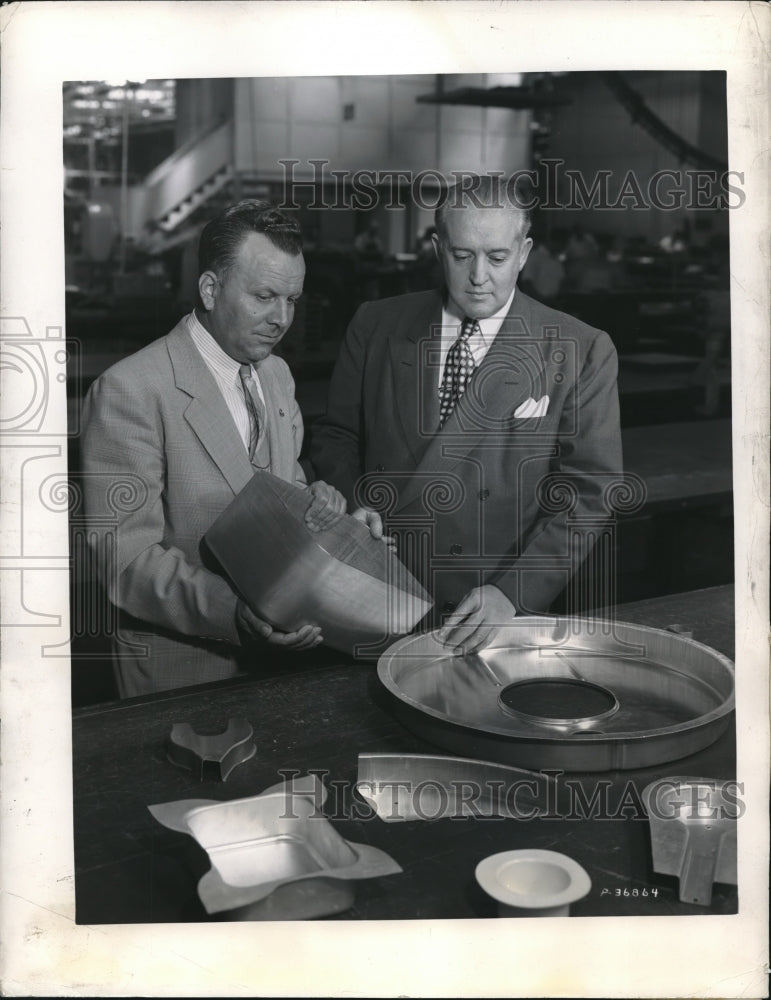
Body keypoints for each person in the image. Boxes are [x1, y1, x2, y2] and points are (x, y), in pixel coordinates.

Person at [81, 199, 382, 697]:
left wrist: (337, 521)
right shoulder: (130, 390)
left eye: (293, 299)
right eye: (264, 296)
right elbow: (125, 561)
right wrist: (235, 612)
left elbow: (281, 489)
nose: (281, 318)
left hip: (283, 667)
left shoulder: (277, 375)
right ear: (210, 289)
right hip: (185, 670)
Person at [311, 175, 622, 654]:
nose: (479, 275)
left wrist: (512, 593)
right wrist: (357, 507)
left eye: (497, 257)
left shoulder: (580, 349)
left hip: (487, 608)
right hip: (375, 585)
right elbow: (336, 436)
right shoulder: (375, 324)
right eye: (462, 255)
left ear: (524, 252)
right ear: (438, 248)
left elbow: (590, 491)